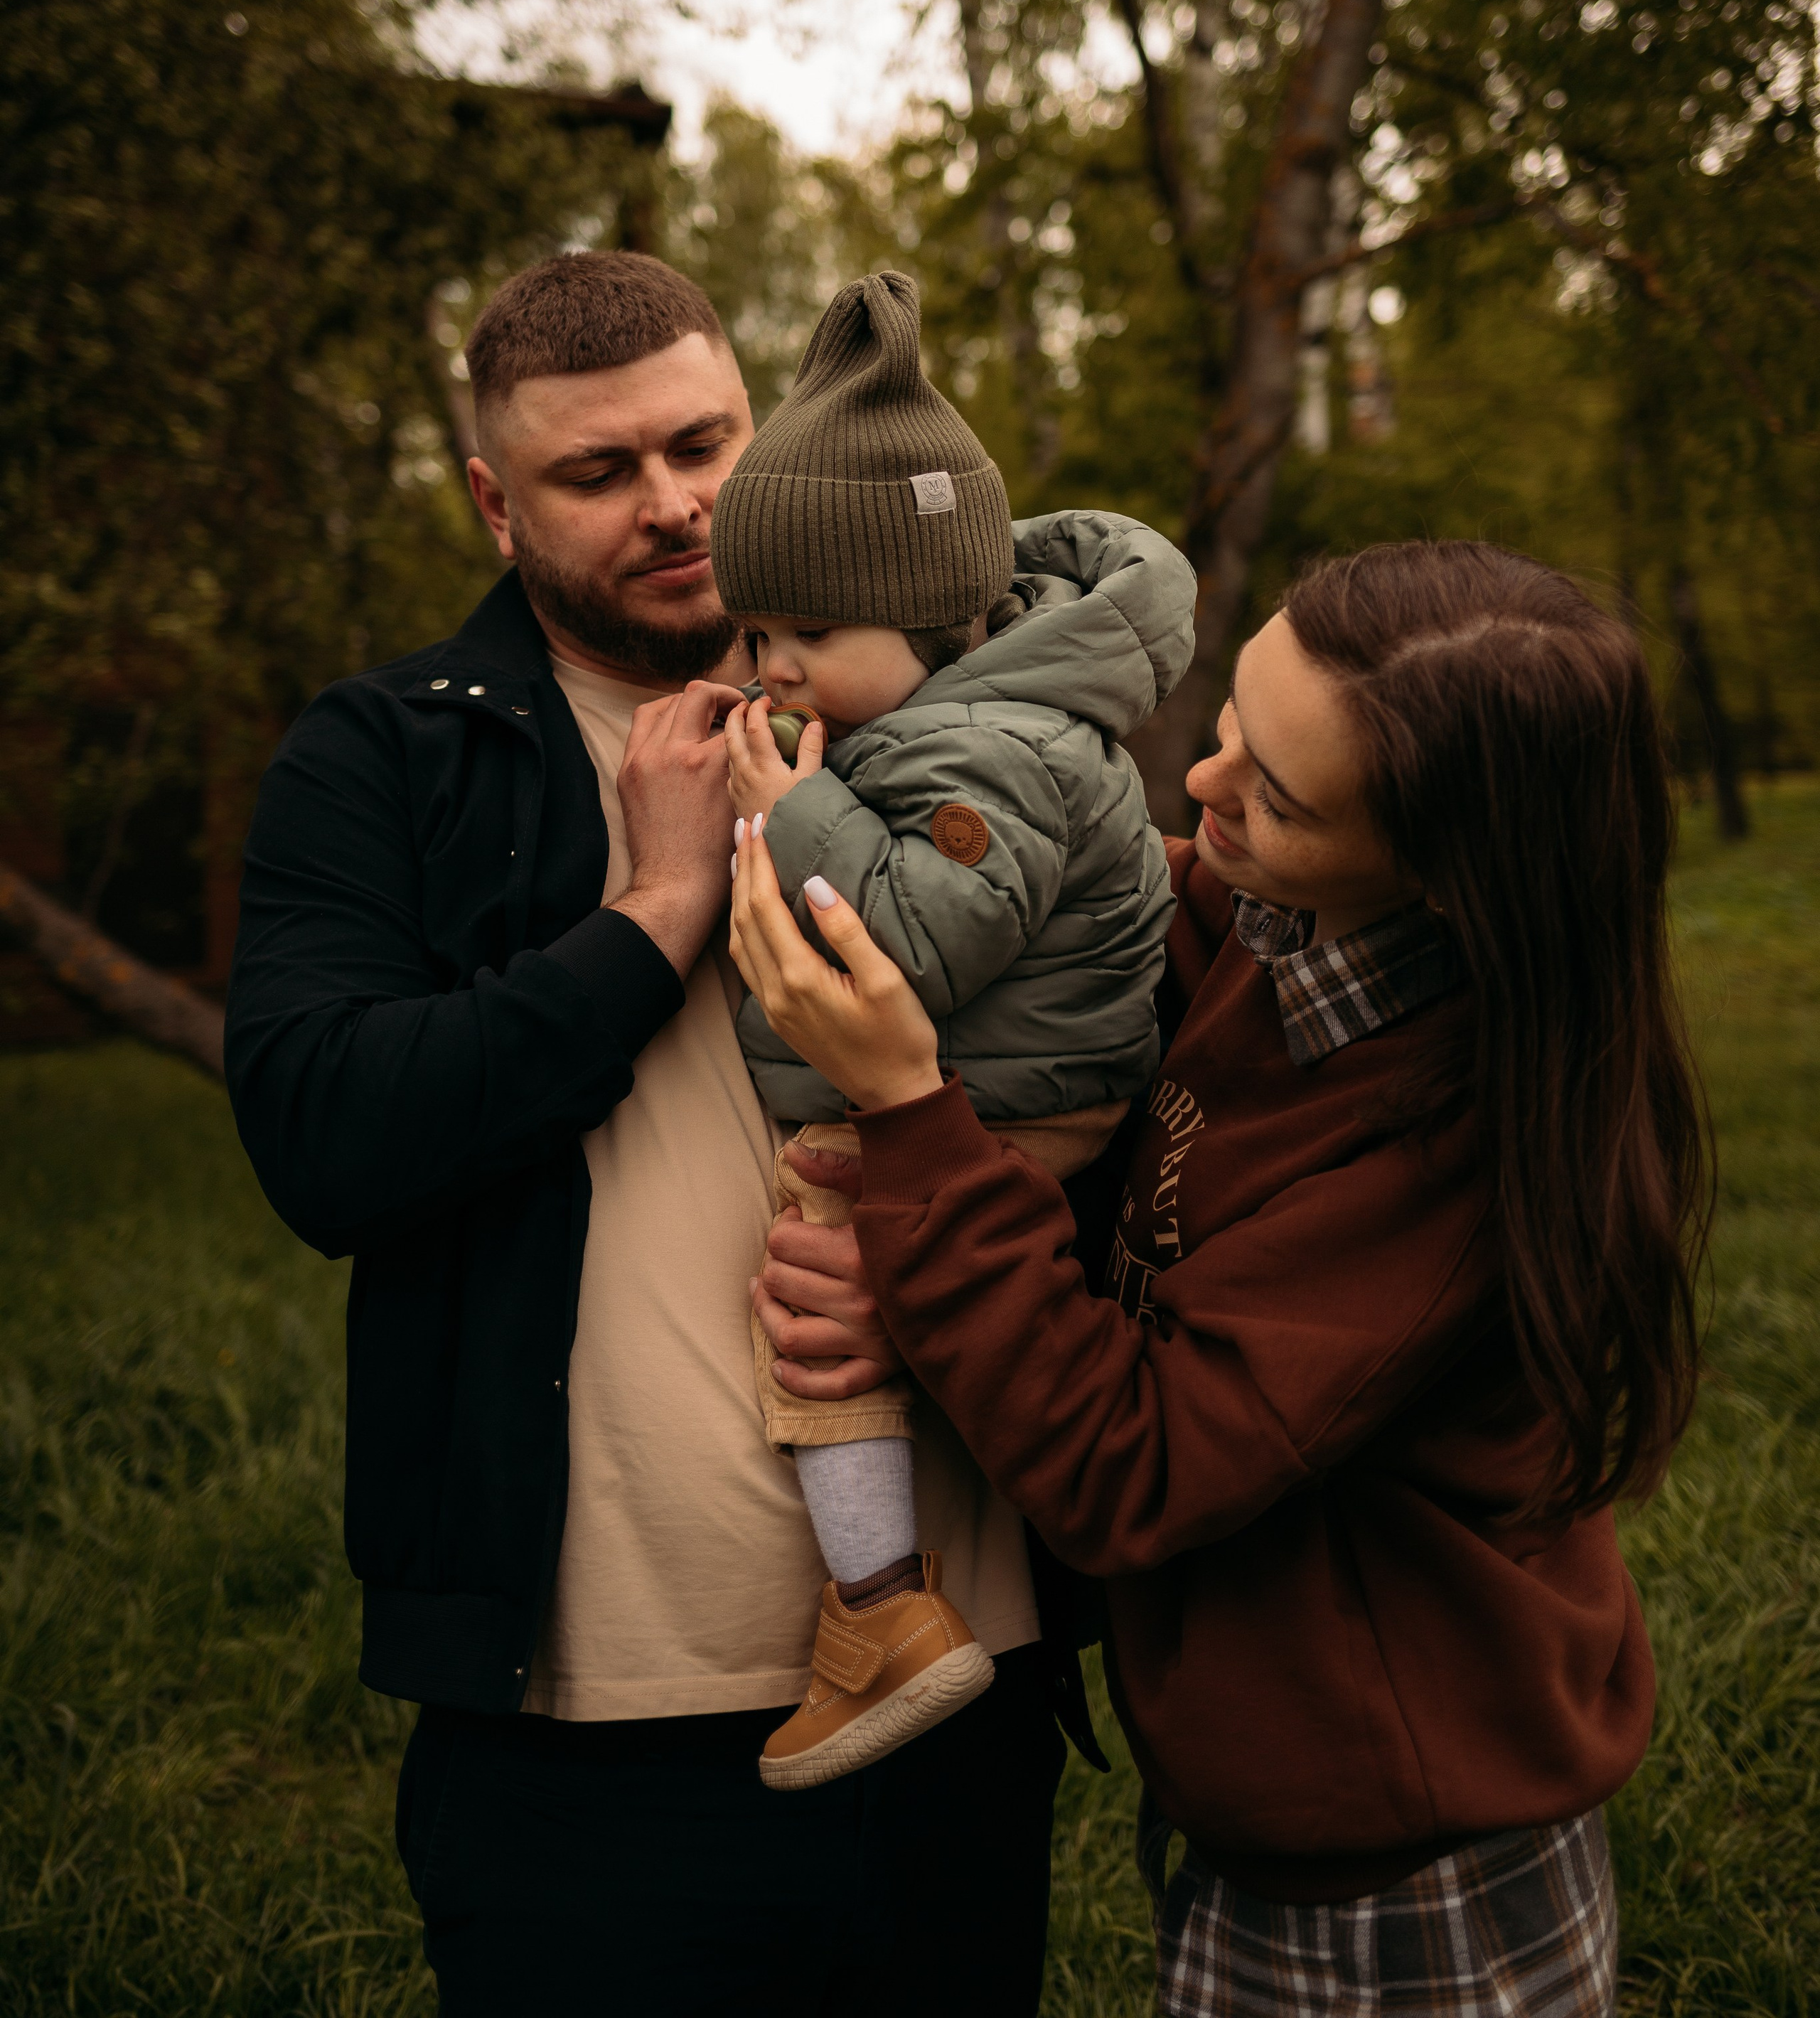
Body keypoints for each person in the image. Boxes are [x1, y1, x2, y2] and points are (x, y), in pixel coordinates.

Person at [225, 249, 1067, 2017]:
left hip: (956, 1673)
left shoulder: (955, 703)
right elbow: (322, 1136)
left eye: (701, 446)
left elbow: (1106, 1057)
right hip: (586, 1716)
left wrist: (960, 1258)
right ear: (494, 503)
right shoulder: (388, 756)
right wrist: (659, 910)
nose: (673, 505)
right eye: (597, 472)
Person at [732, 540, 1712, 2017]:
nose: (1202, 784)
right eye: (1235, 722)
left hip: (1395, 1880)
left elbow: (1127, 1465)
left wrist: (909, 1115)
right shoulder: (1278, 929)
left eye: (1281, 797)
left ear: (1452, 875)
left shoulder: (1448, 1158)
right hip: (1272, 1792)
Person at [702, 269, 1194, 1788]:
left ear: (934, 621)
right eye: (754, 630)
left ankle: (879, 1615)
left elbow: (912, 947)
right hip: (1020, 1076)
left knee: (818, 1273)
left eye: (808, 631)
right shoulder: (954, 717)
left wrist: (791, 814)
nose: (773, 668)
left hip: (1018, 1097)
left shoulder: (992, 751)